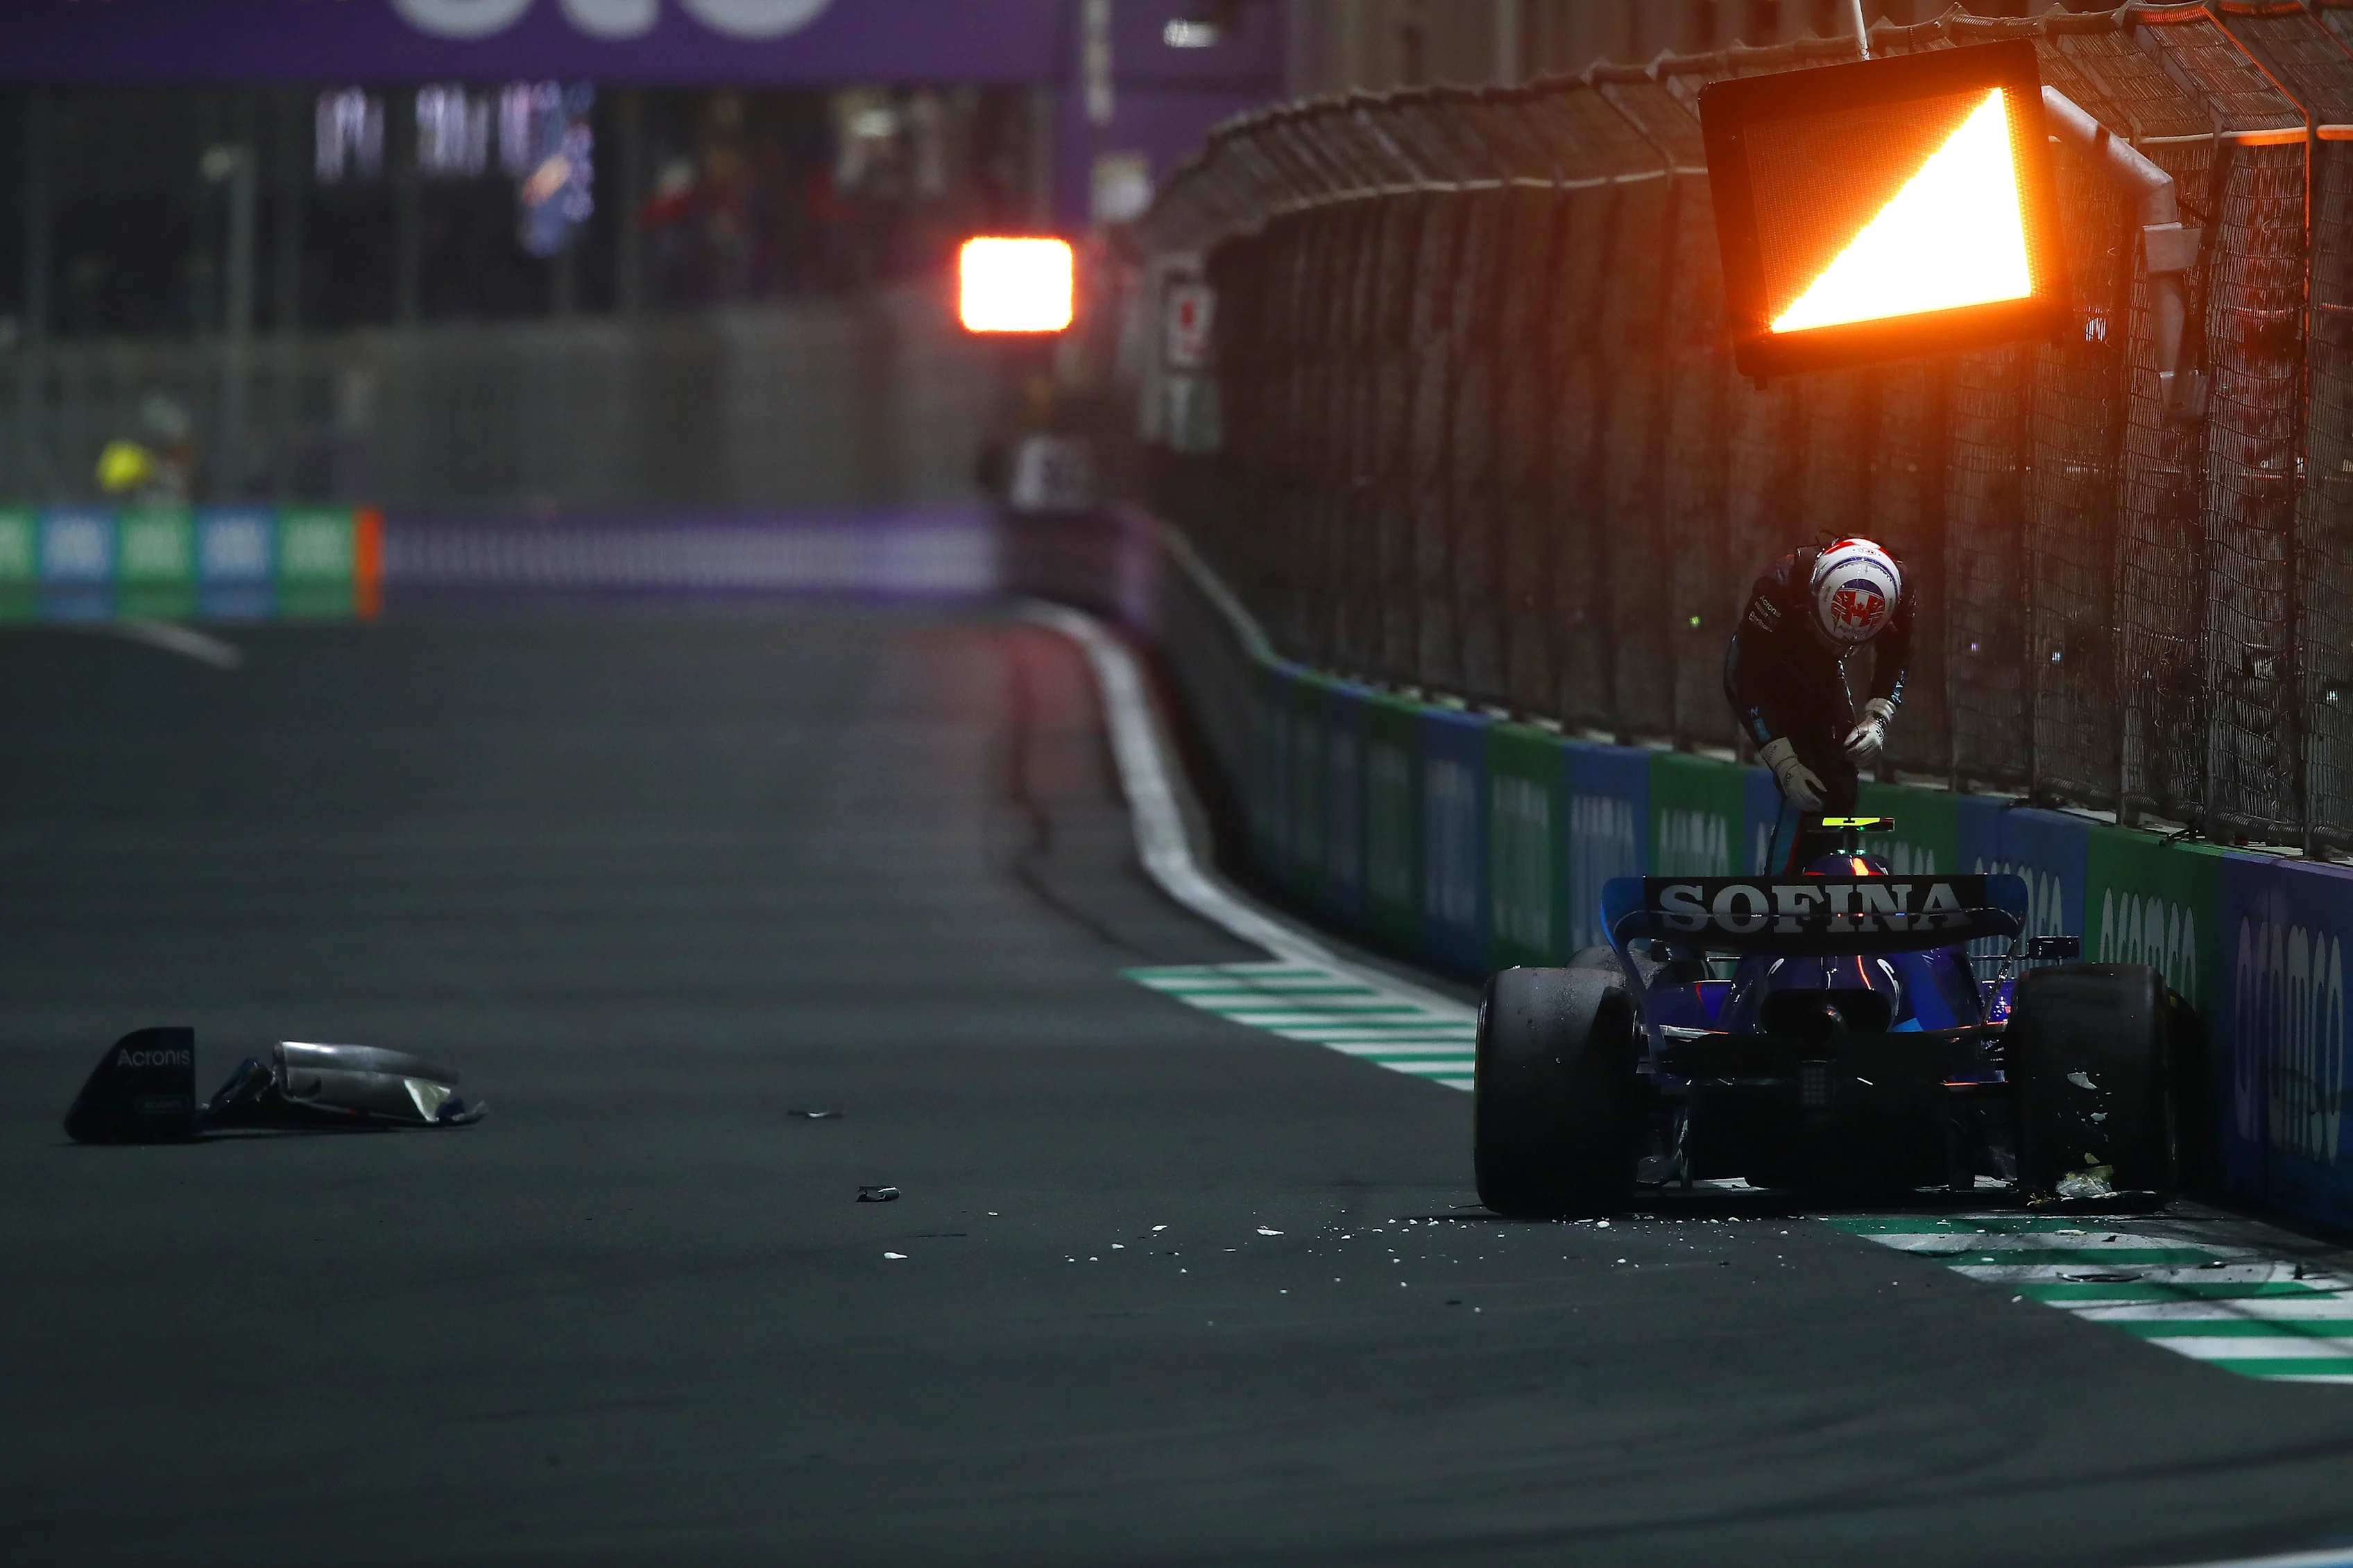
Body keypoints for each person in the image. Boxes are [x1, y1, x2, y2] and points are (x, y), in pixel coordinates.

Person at [1722, 536, 1910, 828]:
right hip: (1770, 667)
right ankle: (1790, 872)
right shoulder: (1777, 589)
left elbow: (1898, 653)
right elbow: (1741, 676)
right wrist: (1783, 761)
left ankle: (1837, 864)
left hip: (1822, 672)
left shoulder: (1901, 589)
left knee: (1840, 783)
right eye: (1831, 639)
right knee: (1804, 788)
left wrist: (1877, 720)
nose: (1840, 650)